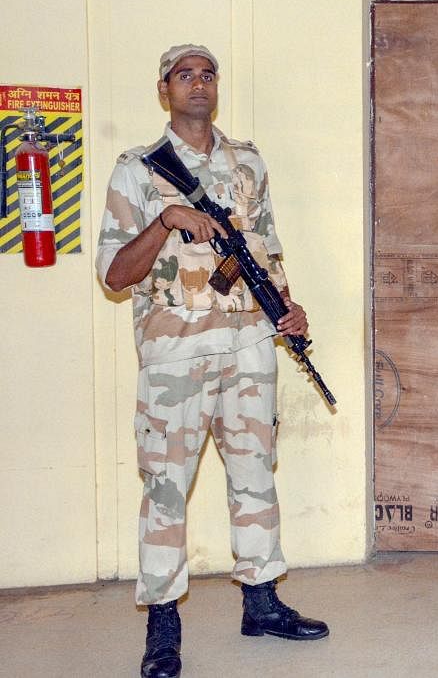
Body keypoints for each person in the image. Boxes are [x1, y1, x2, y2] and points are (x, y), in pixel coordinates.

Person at [97, 44, 328, 678]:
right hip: (176, 354)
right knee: (166, 488)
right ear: (163, 90)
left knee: (255, 474)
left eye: (207, 75)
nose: (198, 85)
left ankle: (262, 601)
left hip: (251, 346)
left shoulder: (247, 163)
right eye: (183, 76)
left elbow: (268, 252)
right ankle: (164, 624)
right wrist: (166, 220)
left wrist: (290, 309)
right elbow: (115, 274)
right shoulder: (137, 170)